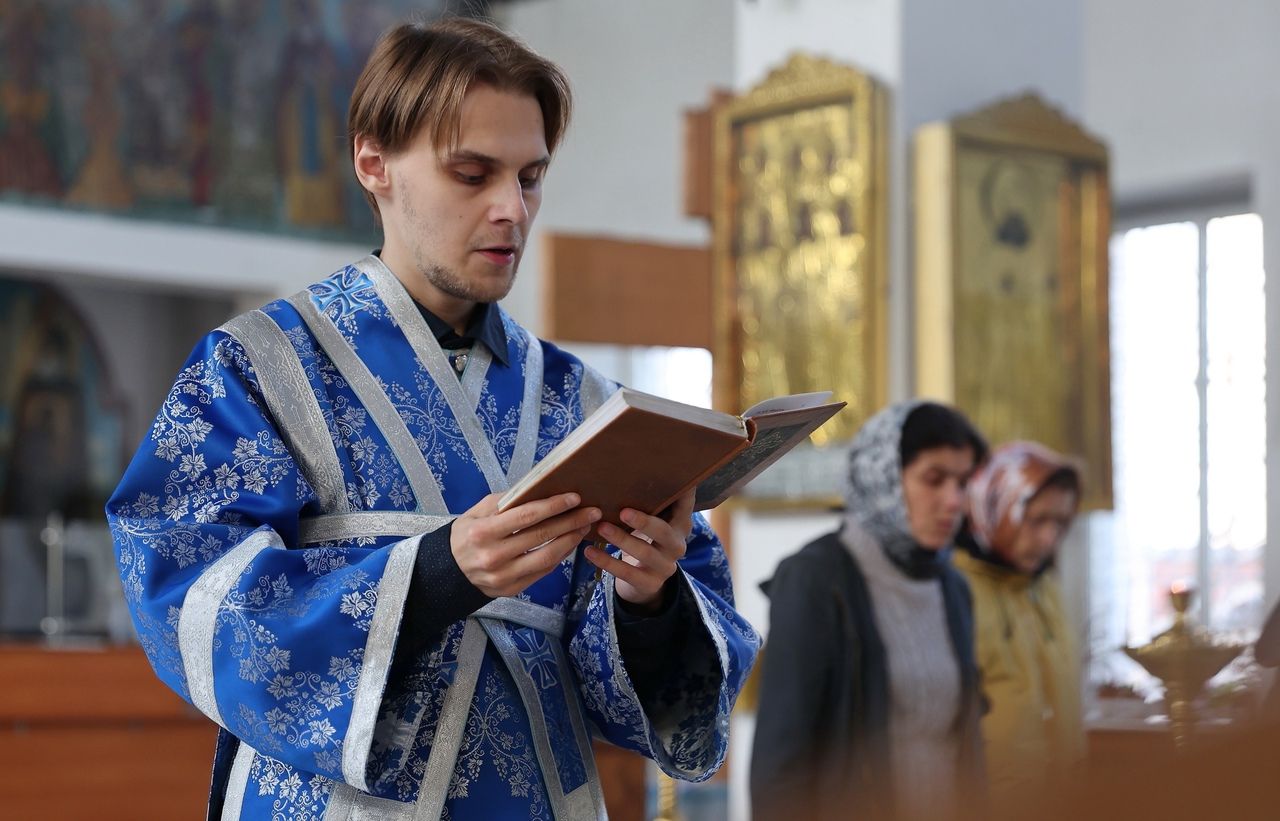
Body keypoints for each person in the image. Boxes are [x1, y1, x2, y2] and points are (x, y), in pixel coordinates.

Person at [106, 18, 759, 820]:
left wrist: (647, 598)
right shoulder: (259, 369)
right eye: (472, 174)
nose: (511, 209)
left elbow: (665, 689)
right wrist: (440, 571)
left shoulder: (581, 402)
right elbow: (187, 594)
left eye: (530, 178)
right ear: (373, 163)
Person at [751, 401, 988, 821]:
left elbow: (965, 745)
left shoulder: (953, 587)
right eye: (934, 480)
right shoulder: (816, 579)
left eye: (963, 482)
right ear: (883, 476)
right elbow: (782, 762)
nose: (954, 501)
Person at [953, 441, 1085, 812]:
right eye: (1037, 520)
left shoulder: (1043, 588)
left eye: (1060, 523)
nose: (1049, 538)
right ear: (998, 504)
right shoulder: (955, 590)